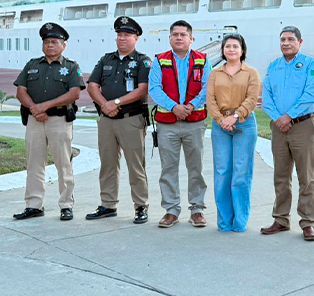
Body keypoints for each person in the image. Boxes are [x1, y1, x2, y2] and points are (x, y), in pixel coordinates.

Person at [12, 23, 84, 221]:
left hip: (59, 120)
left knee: (63, 164)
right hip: (35, 120)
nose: (50, 45)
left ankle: (66, 205)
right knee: (34, 164)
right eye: (46, 42)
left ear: (63, 45)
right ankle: (34, 205)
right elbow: (20, 91)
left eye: (54, 42)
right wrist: (35, 109)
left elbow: (74, 93)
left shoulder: (71, 67)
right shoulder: (32, 64)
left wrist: (44, 106)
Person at [85, 16, 153, 224]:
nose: (122, 38)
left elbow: (143, 89)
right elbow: (92, 85)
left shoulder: (142, 61)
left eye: (127, 35)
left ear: (136, 38)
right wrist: (105, 105)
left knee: (135, 165)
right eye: (119, 35)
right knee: (107, 164)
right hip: (106, 120)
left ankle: (140, 206)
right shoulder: (106, 60)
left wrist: (115, 103)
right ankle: (108, 204)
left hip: (131, 119)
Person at [260, 26, 314, 241]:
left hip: (302, 126)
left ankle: (308, 222)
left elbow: (311, 93)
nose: (286, 43)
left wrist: (289, 116)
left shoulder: (310, 64)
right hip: (279, 127)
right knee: (281, 175)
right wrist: (279, 118)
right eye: (283, 39)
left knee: (306, 176)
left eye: (291, 39)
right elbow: (266, 96)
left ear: (300, 42)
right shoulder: (274, 66)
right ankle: (281, 219)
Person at [148, 20, 212, 227]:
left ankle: (197, 209)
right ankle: (171, 210)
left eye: (183, 34)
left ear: (191, 38)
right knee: (168, 168)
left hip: (195, 122)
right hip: (167, 123)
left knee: (196, 168)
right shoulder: (160, 60)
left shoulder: (203, 60)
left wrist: (191, 106)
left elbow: (207, 88)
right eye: (175, 34)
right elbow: (154, 89)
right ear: (169, 38)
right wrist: (174, 107)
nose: (178, 37)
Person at [206, 33, 261, 232]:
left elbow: (252, 98)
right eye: (227, 46)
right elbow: (210, 99)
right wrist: (221, 119)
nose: (231, 49)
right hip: (220, 126)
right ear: (223, 50)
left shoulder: (251, 73)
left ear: (242, 50)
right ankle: (224, 221)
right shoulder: (214, 73)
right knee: (222, 173)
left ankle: (240, 221)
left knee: (241, 173)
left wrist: (235, 116)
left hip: (244, 125)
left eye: (235, 46)